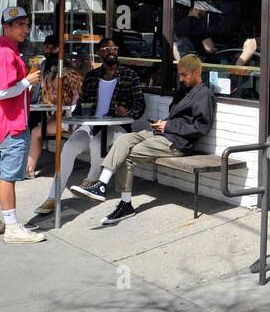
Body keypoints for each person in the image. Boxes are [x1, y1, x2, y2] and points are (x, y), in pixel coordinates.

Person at [72, 54, 215, 225]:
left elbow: (201, 128)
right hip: (163, 134)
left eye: (184, 74)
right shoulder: (185, 90)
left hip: (176, 143)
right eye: (179, 74)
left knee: (128, 155)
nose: (180, 78)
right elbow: (178, 117)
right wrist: (162, 124)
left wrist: (167, 126)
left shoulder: (204, 95)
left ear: (197, 71)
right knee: (124, 139)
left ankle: (125, 204)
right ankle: (101, 184)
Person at [34, 36, 146, 217]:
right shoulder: (92, 77)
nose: (111, 52)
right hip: (92, 125)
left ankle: (92, 180)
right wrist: (76, 118)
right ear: (99, 54)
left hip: (117, 127)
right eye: (107, 49)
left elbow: (140, 105)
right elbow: (82, 104)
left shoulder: (129, 75)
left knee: (96, 143)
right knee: (69, 147)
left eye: (114, 48)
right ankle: (53, 197)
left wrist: (127, 111)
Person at [0, 7, 44, 243]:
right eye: (19, 25)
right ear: (6, 26)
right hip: (10, 124)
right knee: (8, 177)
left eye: (26, 24)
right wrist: (27, 81)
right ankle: (12, 227)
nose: (25, 29)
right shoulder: (6, 54)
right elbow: (2, 92)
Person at [25, 62, 83, 179]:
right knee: (42, 129)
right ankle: (29, 166)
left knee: (36, 131)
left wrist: (48, 92)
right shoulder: (72, 81)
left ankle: (29, 169)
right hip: (72, 117)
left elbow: (55, 100)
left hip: (72, 120)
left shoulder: (60, 81)